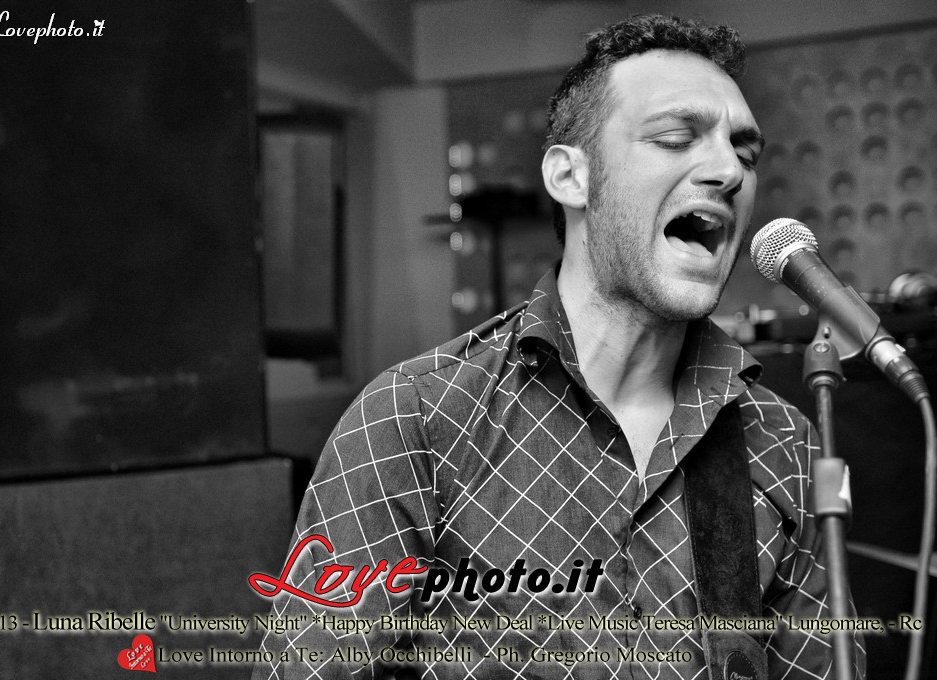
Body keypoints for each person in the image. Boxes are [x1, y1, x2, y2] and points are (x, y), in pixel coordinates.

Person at [252, 14, 865, 679]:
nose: (728, 170)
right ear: (571, 177)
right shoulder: (415, 420)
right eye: (675, 138)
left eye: (744, 153)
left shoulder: (782, 442)